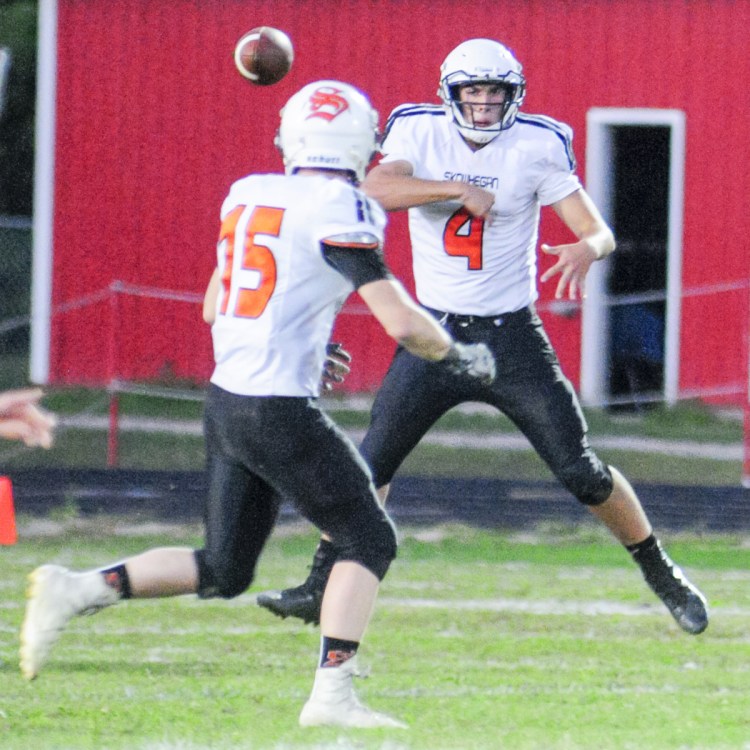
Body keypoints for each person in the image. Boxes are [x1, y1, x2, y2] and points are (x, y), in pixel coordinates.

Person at [19, 79, 495, 729]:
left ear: (292, 137)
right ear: (360, 141)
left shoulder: (248, 194)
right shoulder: (344, 205)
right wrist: (458, 355)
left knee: (224, 567)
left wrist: (305, 343)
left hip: (227, 400)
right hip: (276, 408)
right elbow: (404, 323)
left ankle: (78, 588)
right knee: (369, 536)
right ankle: (331, 697)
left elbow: (220, 305)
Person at [257, 39, 709, 636]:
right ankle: (320, 584)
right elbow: (375, 190)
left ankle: (661, 570)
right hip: (434, 334)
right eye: (474, 92)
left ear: (513, 94)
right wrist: (452, 189)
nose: (485, 104)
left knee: (581, 471)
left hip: (510, 336)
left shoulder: (537, 143)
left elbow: (597, 231)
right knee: (370, 467)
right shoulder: (418, 132)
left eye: (495, 92)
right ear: (451, 94)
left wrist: (586, 248)